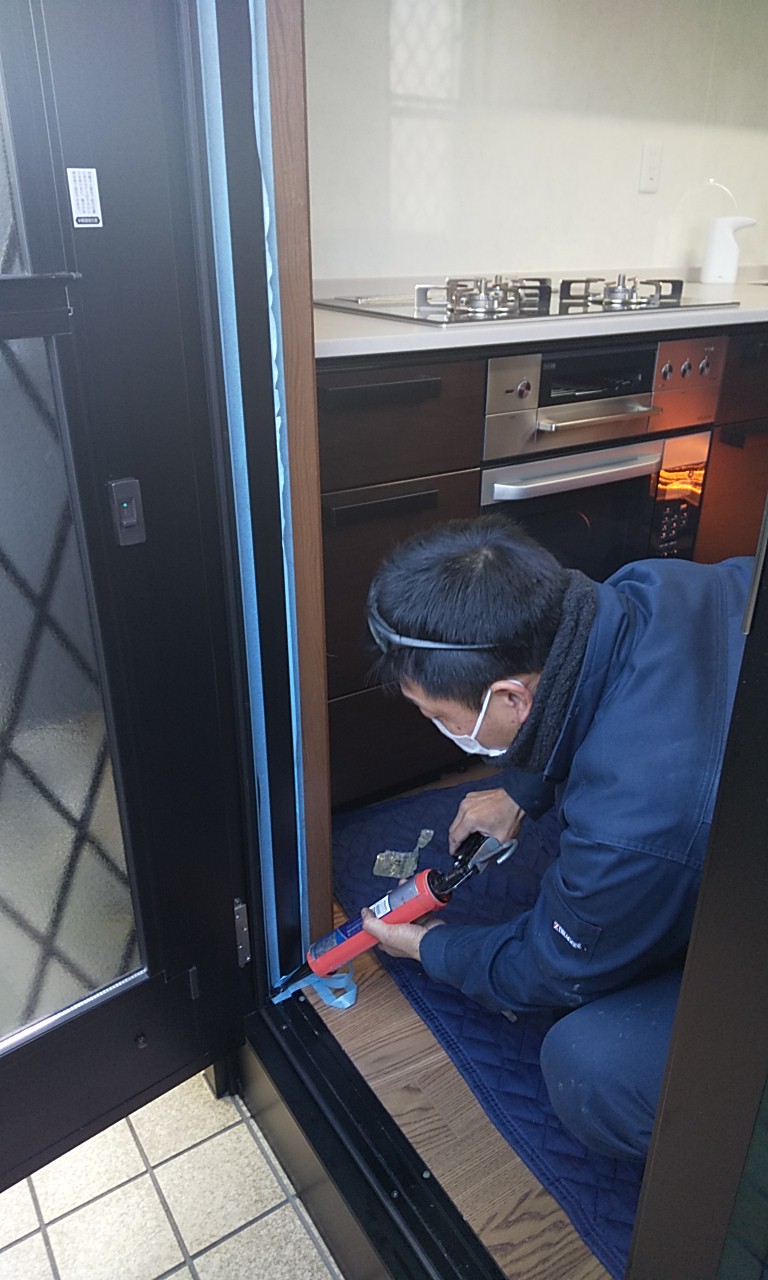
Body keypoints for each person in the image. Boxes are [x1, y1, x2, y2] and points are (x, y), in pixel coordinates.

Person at [359, 515, 751, 1161]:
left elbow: (550, 970)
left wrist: (431, 947)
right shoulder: (649, 587)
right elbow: (581, 682)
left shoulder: (634, 825)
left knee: (594, 1065)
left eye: (437, 714)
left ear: (511, 699)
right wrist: (523, 790)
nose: (436, 725)